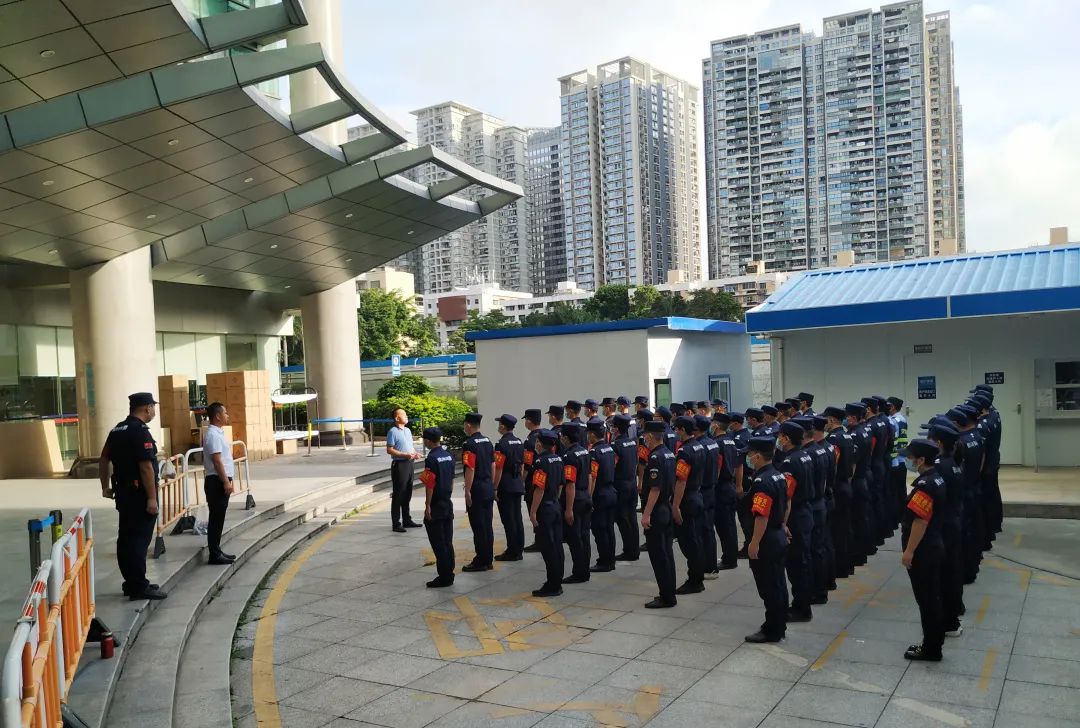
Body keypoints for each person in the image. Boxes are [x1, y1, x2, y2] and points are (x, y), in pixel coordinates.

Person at [99, 392, 168, 601]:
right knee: (138, 541)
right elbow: (146, 467)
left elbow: (103, 459)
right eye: (153, 407)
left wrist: (105, 487)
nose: (154, 410)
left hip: (123, 493)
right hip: (139, 495)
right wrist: (152, 498)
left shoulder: (117, 429)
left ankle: (131, 582)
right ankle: (139, 586)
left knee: (126, 539)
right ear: (147, 408)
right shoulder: (140, 432)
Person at [900, 438, 947, 661]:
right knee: (931, 598)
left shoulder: (925, 485)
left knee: (927, 600)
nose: (908, 461)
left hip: (924, 550)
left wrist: (909, 551)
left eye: (910, 458)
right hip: (932, 545)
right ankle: (932, 643)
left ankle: (931, 648)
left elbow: (920, 521)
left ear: (921, 460)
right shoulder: (936, 478)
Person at [743, 436, 790, 643]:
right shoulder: (778, 475)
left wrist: (754, 543)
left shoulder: (762, 482)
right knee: (778, 584)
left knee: (769, 587)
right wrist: (783, 524)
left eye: (750, 454)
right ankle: (778, 625)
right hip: (777, 534)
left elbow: (761, 515)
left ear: (758, 456)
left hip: (767, 540)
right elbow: (787, 504)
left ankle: (772, 629)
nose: (748, 457)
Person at [927, 421, 966, 637]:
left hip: (943, 526)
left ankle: (948, 620)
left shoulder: (941, 465)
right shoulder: (955, 461)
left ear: (939, 443)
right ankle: (952, 616)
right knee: (952, 571)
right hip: (953, 523)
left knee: (943, 575)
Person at [778, 420, 815, 622]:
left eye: (781, 436)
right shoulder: (805, 456)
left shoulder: (790, 462)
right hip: (806, 511)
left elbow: (788, 496)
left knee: (796, 564)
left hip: (796, 516)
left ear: (787, 438)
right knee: (802, 562)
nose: (779, 440)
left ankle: (802, 608)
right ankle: (802, 604)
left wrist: (783, 523)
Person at [640, 421, 678, 608]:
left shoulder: (655, 457)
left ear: (649, 436)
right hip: (666, 508)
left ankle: (667, 596)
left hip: (657, 510)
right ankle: (668, 592)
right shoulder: (669, 454)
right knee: (667, 554)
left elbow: (654, 489)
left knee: (659, 556)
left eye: (645, 435)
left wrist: (646, 514)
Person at [947, 406, 985, 584]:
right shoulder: (976, 436)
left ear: (956, 423)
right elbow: (982, 461)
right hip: (974, 487)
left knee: (963, 535)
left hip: (963, 493)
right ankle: (973, 566)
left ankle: (966, 571)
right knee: (973, 530)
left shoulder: (960, 443)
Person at [529, 429, 565, 597]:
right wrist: (555, 500)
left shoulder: (540, 462)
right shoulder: (558, 459)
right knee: (557, 546)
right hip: (555, 506)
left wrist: (533, 512)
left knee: (548, 548)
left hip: (545, 509)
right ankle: (556, 581)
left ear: (539, 444)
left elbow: (539, 489)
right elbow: (560, 485)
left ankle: (553, 585)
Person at [673, 416, 706, 595]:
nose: (675, 432)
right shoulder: (699, 446)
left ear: (683, 430)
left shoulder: (685, 452)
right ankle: (696, 576)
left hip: (687, 499)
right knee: (696, 540)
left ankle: (695, 580)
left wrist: (675, 506)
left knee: (689, 542)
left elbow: (681, 481)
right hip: (697, 495)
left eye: (677, 429)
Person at [421, 428, 456, 588]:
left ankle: (444, 576)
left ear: (429, 440)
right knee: (447, 540)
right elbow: (452, 479)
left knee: (438, 542)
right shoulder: (449, 455)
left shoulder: (432, 458)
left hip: (436, 505)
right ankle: (450, 571)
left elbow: (430, 484)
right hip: (447, 503)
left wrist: (428, 505)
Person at [202, 402, 236, 565]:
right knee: (216, 519)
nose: (227, 415)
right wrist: (225, 481)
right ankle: (214, 554)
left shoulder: (218, 433)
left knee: (219, 518)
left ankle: (217, 550)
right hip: (216, 481)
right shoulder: (213, 435)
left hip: (221, 479)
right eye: (225, 413)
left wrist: (229, 479)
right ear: (217, 416)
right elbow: (217, 461)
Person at [824, 406, 856, 579]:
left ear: (831, 420)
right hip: (846, 484)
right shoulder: (847, 436)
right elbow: (853, 464)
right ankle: (848, 565)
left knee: (837, 531)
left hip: (837, 487)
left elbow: (833, 466)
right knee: (845, 528)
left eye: (826, 421)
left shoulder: (834, 439)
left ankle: (840, 568)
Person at [461, 413, 495, 572]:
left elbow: (470, 468)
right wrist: (492, 485)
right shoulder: (488, 441)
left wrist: (467, 490)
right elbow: (493, 465)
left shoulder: (469, 444)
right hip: (488, 486)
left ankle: (481, 560)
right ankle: (487, 558)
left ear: (468, 425)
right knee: (487, 525)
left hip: (477, 489)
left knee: (479, 526)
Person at [559, 422, 593, 583]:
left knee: (575, 538)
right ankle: (584, 570)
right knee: (585, 537)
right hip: (585, 495)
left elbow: (570, 484)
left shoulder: (569, 456)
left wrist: (568, 509)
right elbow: (590, 476)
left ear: (566, 438)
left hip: (576, 499)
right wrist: (589, 495)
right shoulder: (584, 452)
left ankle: (579, 572)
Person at [806, 416, 835, 601]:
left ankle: (818, 590)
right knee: (824, 544)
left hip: (815, 503)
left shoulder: (811, 452)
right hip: (825, 499)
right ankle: (827, 582)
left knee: (815, 549)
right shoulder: (827, 448)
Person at [710, 412, 741, 572]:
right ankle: (730, 556)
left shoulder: (718, 443)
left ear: (716, 425)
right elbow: (738, 464)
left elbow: (718, 467)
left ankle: (729, 559)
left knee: (724, 526)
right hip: (729, 485)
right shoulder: (731, 440)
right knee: (729, 525)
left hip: (721, 487)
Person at [493, 414, 525, 562]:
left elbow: (498, 468)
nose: (498, 426)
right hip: (517, 482)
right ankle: (518, 549)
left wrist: (495, 487)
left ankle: (512, 551)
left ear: (503, 427)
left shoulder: (501, 445)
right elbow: (523, 464)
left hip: (505, 484)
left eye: (500, 424)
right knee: (517, 518)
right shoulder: (519, 442)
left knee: (508, 519)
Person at [588, 421, 618, 572]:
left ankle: (604, 561)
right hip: (611, 492)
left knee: (600, 530)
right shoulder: (609, 449)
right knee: (609, 528)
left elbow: (592, 477)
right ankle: (610, 560)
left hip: (599, 494)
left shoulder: (594, 453)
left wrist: (589, 497)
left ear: (592, 435)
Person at [386, 407, 422, 533]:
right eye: (404, 415)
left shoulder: (407, 430)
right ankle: (396, 523)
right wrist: (404, 455)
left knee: (408, 493)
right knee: (398, 494)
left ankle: (407, 520)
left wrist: (414, 453)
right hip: (400, 465)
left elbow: (409, 447)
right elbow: (389, 449)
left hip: (410, 463)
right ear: (397, 418)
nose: (407, 417)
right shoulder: (392, 431)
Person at [846, 402, 875, 563]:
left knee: (856, 520)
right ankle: (865, 550)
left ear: (853, 417)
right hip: (865, 475)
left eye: (847, 416)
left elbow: (852, 463)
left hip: (857, 480)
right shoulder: (865, 431)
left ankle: (858, 555)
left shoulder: (854, 435)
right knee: (862, 517)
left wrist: (848, 484)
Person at [694, 415, 720, 579]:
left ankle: (708, 566)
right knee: (708, 530)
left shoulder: (699, 446)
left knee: (702, 531)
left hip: (702, 490)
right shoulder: (712, 443)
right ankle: (711, 565)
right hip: (711, 489)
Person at [611, 414, 640, 561]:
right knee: (632, 518)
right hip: (631, 483)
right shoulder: (633, 443)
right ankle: (634, 549)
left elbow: (613, 466)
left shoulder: (615, 446)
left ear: (616, 429)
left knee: (623, 519)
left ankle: (629, 551)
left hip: (620, 486)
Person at [521, 409, 544, 554]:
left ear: (529, 421)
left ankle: (540, 541)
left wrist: (522, 480)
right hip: (547, 479)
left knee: (535, 511)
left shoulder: (530, 441)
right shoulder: (546, 435)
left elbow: (527, 465)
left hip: (534, 481)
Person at [886, 397, 909, 529]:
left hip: (895, 460)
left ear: (893, 407)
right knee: (901, 490)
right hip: (902, 459)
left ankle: (898, 516)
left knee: (895, 491)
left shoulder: (893, 421)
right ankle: (902, 515)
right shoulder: (902, 419)